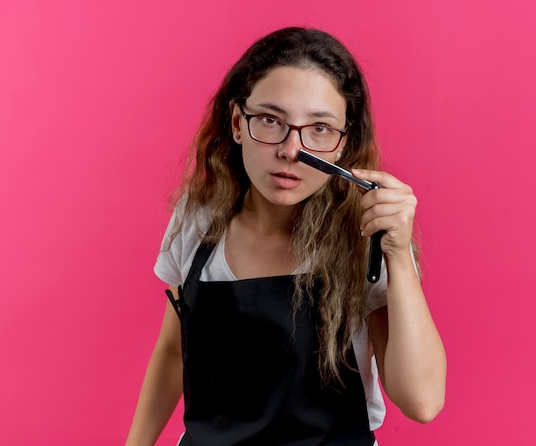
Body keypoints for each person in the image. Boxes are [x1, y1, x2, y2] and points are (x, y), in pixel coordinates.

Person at [126, 27, 446, 446]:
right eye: (271, 121)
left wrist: (398, 254)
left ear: (342, 144)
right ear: (239, 123)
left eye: (319, 128)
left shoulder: (366, 238)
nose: (291, 150)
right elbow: (173, 350)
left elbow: (421, 401)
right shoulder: (198, 218)